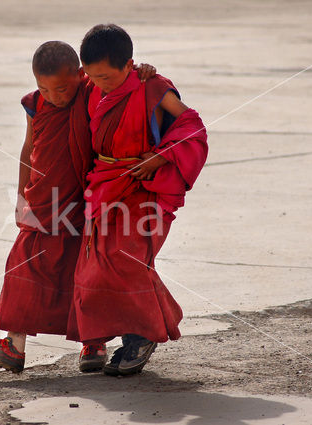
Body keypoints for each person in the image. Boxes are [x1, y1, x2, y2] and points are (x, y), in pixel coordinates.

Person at [0, 41, 156, 373]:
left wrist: (141, 71)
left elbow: (122, 85)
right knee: (24, 264)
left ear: (79, 74)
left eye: (61, 88)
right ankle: (14, 345)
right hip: (45, 199)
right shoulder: (35, 104)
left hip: (86, 198)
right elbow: (29, 148)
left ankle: (94, 344)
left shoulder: (92, 91)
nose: (54, 95)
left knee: (86, 274)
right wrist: (21, 196)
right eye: (44, 87)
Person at [66, 24, 209, 377]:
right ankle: (97, 338)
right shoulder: (91, 89)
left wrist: (161, 156)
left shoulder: (153, 88)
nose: (102, 85)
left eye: (109, 77)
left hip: (144, 188)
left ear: (130, 64)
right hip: (103, 185)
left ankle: (142, 336)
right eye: (94, 77)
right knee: (94, 263)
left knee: (126, 260)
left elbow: (192, 125)